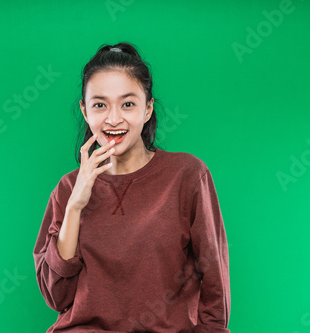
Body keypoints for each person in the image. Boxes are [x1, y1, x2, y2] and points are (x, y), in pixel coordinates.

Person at [33, 42, 231, 332]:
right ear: (85, 111)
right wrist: (75, 206)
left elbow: (215, 283)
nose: (114, 119)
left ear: (148, 108)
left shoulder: (187, 175)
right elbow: (56, 296)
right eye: (100, 104)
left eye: (128, 104)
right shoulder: (67, 189)